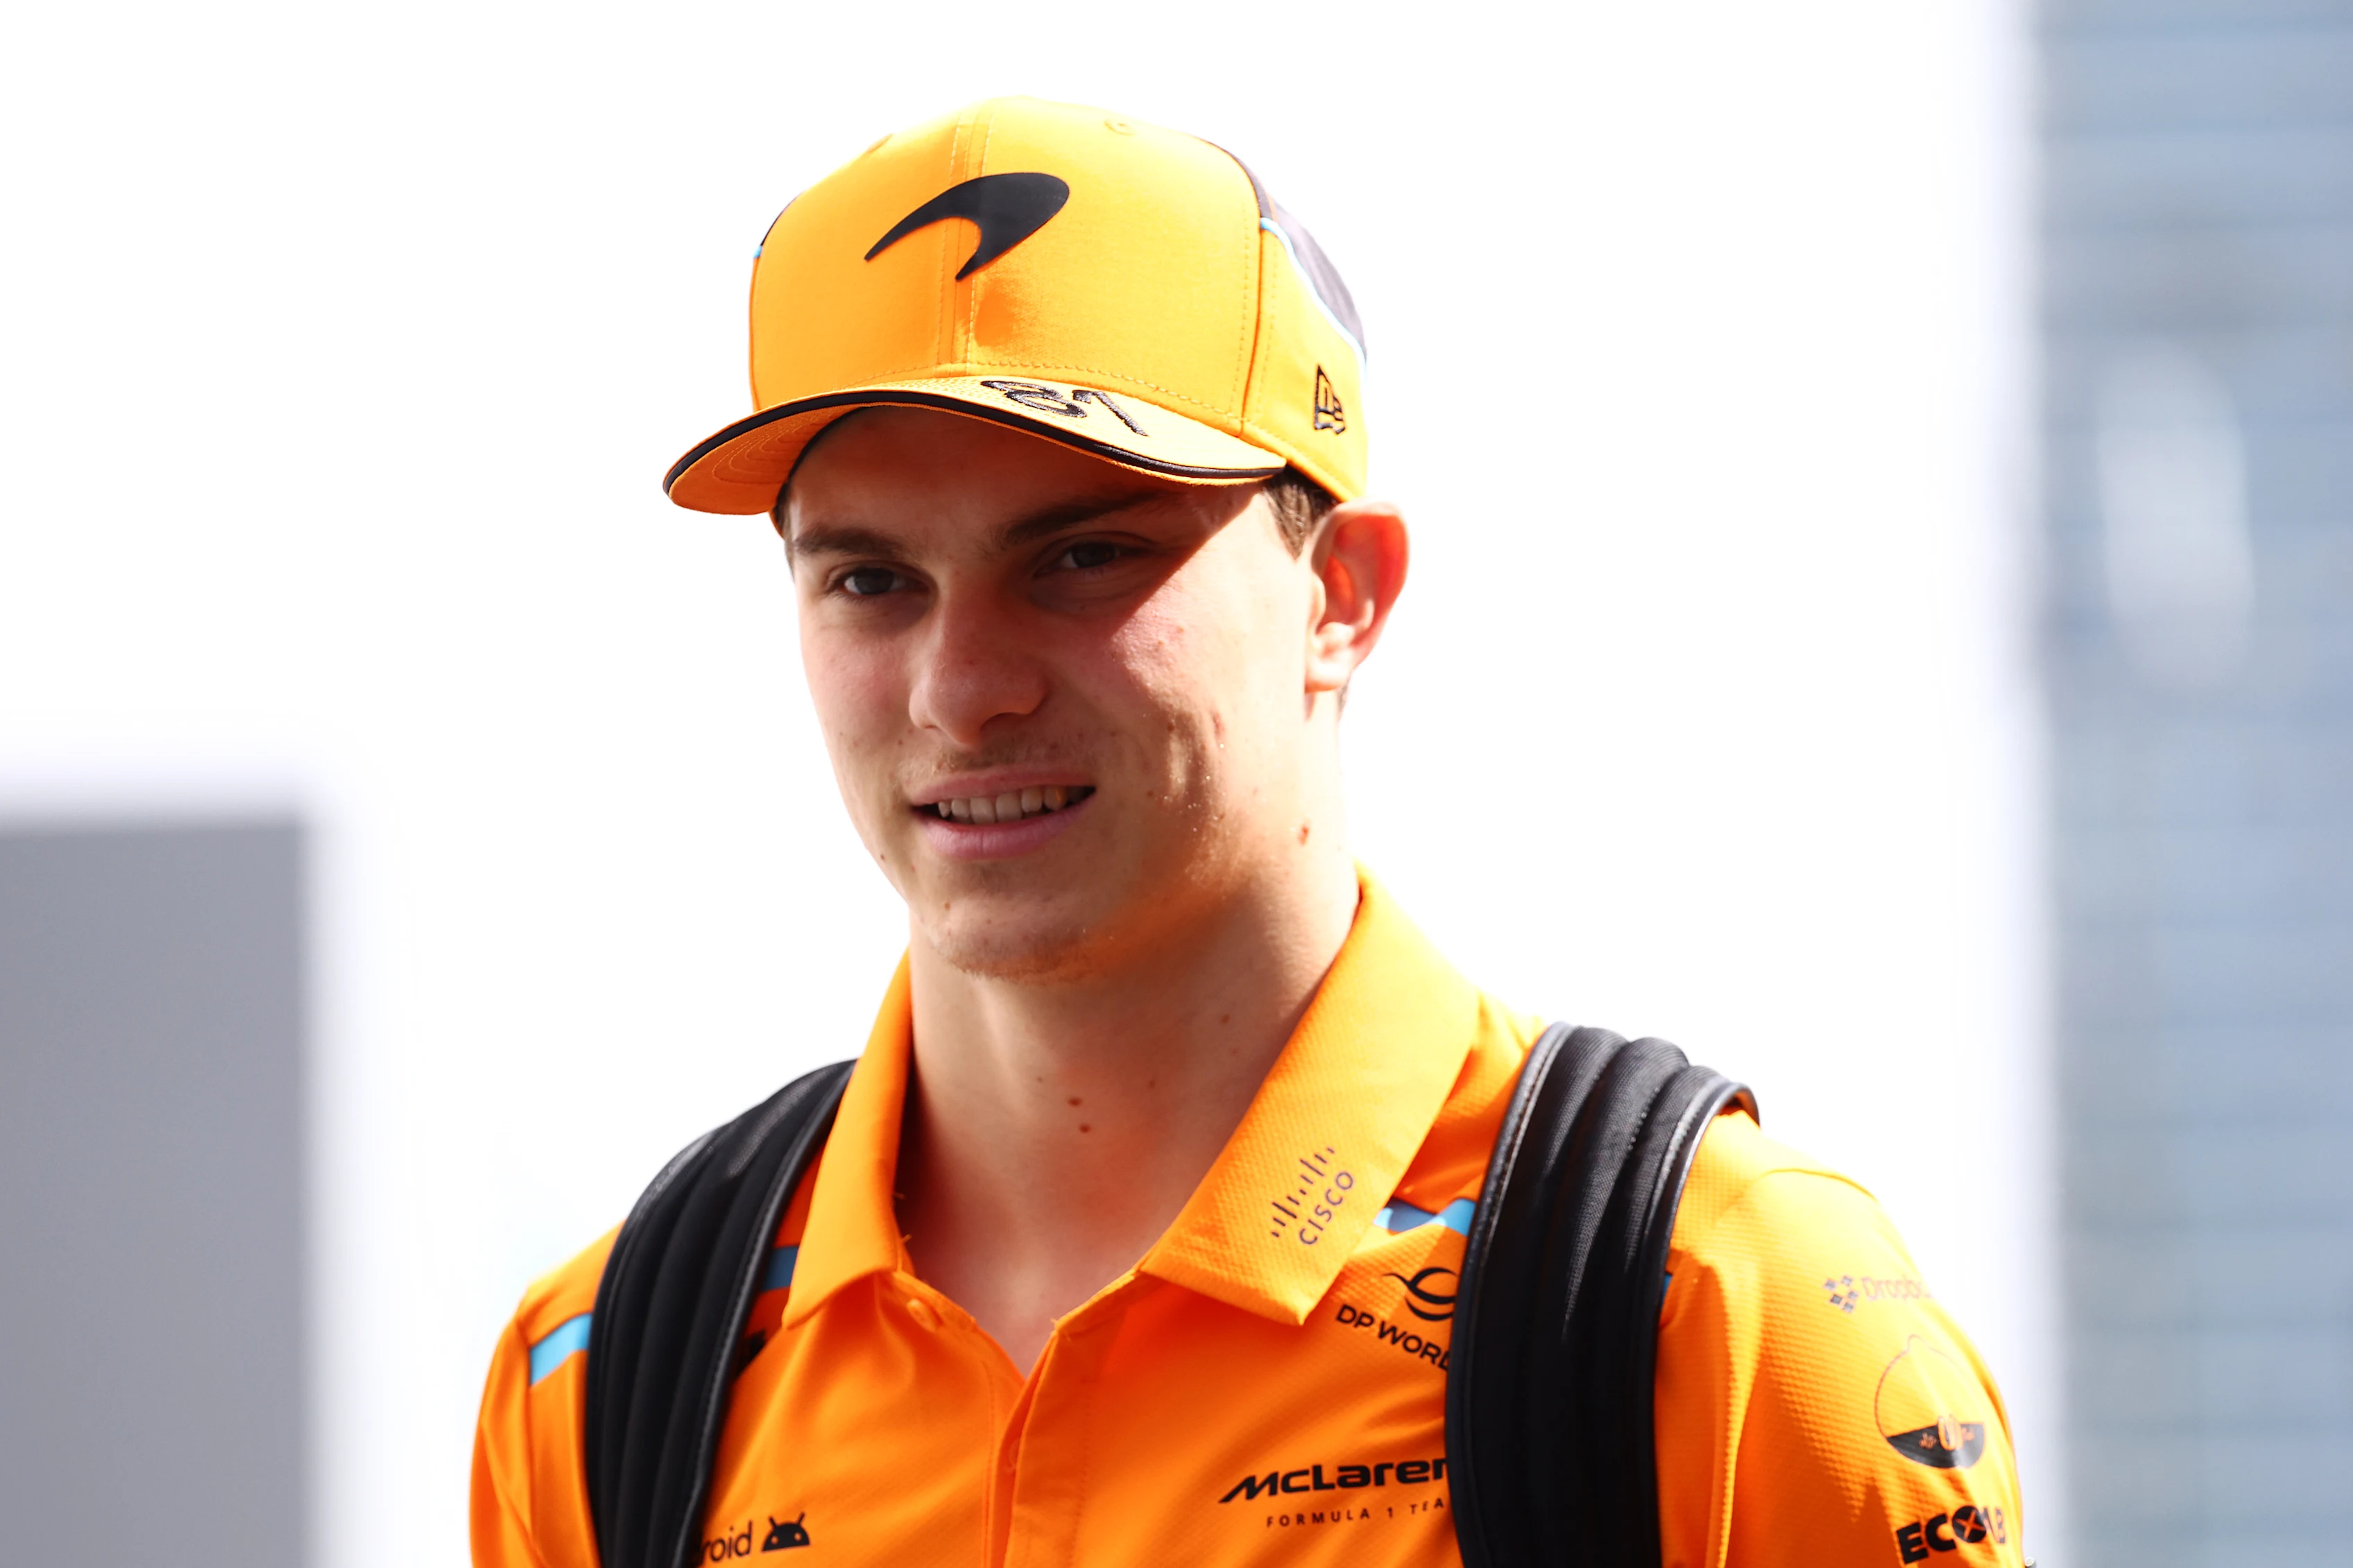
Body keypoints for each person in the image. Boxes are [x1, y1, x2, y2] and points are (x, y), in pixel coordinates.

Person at [471, 96, 2028, 1568]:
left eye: (1081, 555)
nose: (963, 688)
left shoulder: (1710, 1302)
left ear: (1342, 593)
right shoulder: (605, 1368)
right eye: (870, 579)